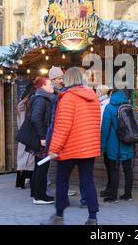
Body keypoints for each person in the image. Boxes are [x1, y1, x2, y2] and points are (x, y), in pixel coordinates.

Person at [44, 67, 101, 225]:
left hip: (70, 147)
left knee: (62, 181)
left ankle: (59, 216)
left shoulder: (67, 98)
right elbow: (96, 123)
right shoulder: (93, 97)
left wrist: (54, 149)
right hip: (88, 148)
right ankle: (93, 217)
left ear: (68, 79)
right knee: (88, 181)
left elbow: (63, 127)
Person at [47, 66, 80, 201]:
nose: (61, 80)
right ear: (52, 80)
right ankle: (49, 192)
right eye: (59, 78)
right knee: (54, 169)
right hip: (55, 135)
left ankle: (61, 201)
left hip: (61, 137)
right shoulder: (53, 95)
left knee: (63, 172)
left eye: (62, 78)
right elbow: (55, 119)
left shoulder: (62, 93)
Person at [100, 89, 135, 203]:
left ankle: (113, 196)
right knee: (128, 169)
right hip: (128, 142)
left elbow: (105, 129)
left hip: (113, 144)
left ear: (112, 95)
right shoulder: (129, 106)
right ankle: (128, 194)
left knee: (114, 169)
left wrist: (102, 146)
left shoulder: (109, 108)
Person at [28, 77, 55, 205]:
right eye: (50, 83)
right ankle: (40, 196)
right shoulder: (41, 99)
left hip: (41, 138)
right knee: (42, 167)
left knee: (39, 166)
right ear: (43, 86)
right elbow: (35, 118)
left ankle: (36, 193)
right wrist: (43, 137)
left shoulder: (41, 98)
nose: (52, 86)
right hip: (42, 139)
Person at [15, 83, 35, 189]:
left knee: (22, 159)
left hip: (22, 135)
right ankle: (28, 182)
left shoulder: (21, 105)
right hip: (29, 135)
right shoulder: (24, 106)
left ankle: (20, 183)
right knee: (30, 159)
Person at [95, 85, 112, 197]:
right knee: (108, 163)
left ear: (101, 92)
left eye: (96, 91)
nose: (95, 93)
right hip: (106, 136)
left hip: (107, 137)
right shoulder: (103, 103)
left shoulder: (105, 104)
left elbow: (102, 122)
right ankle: (109, 187)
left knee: (109, 163)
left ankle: (110, 188)